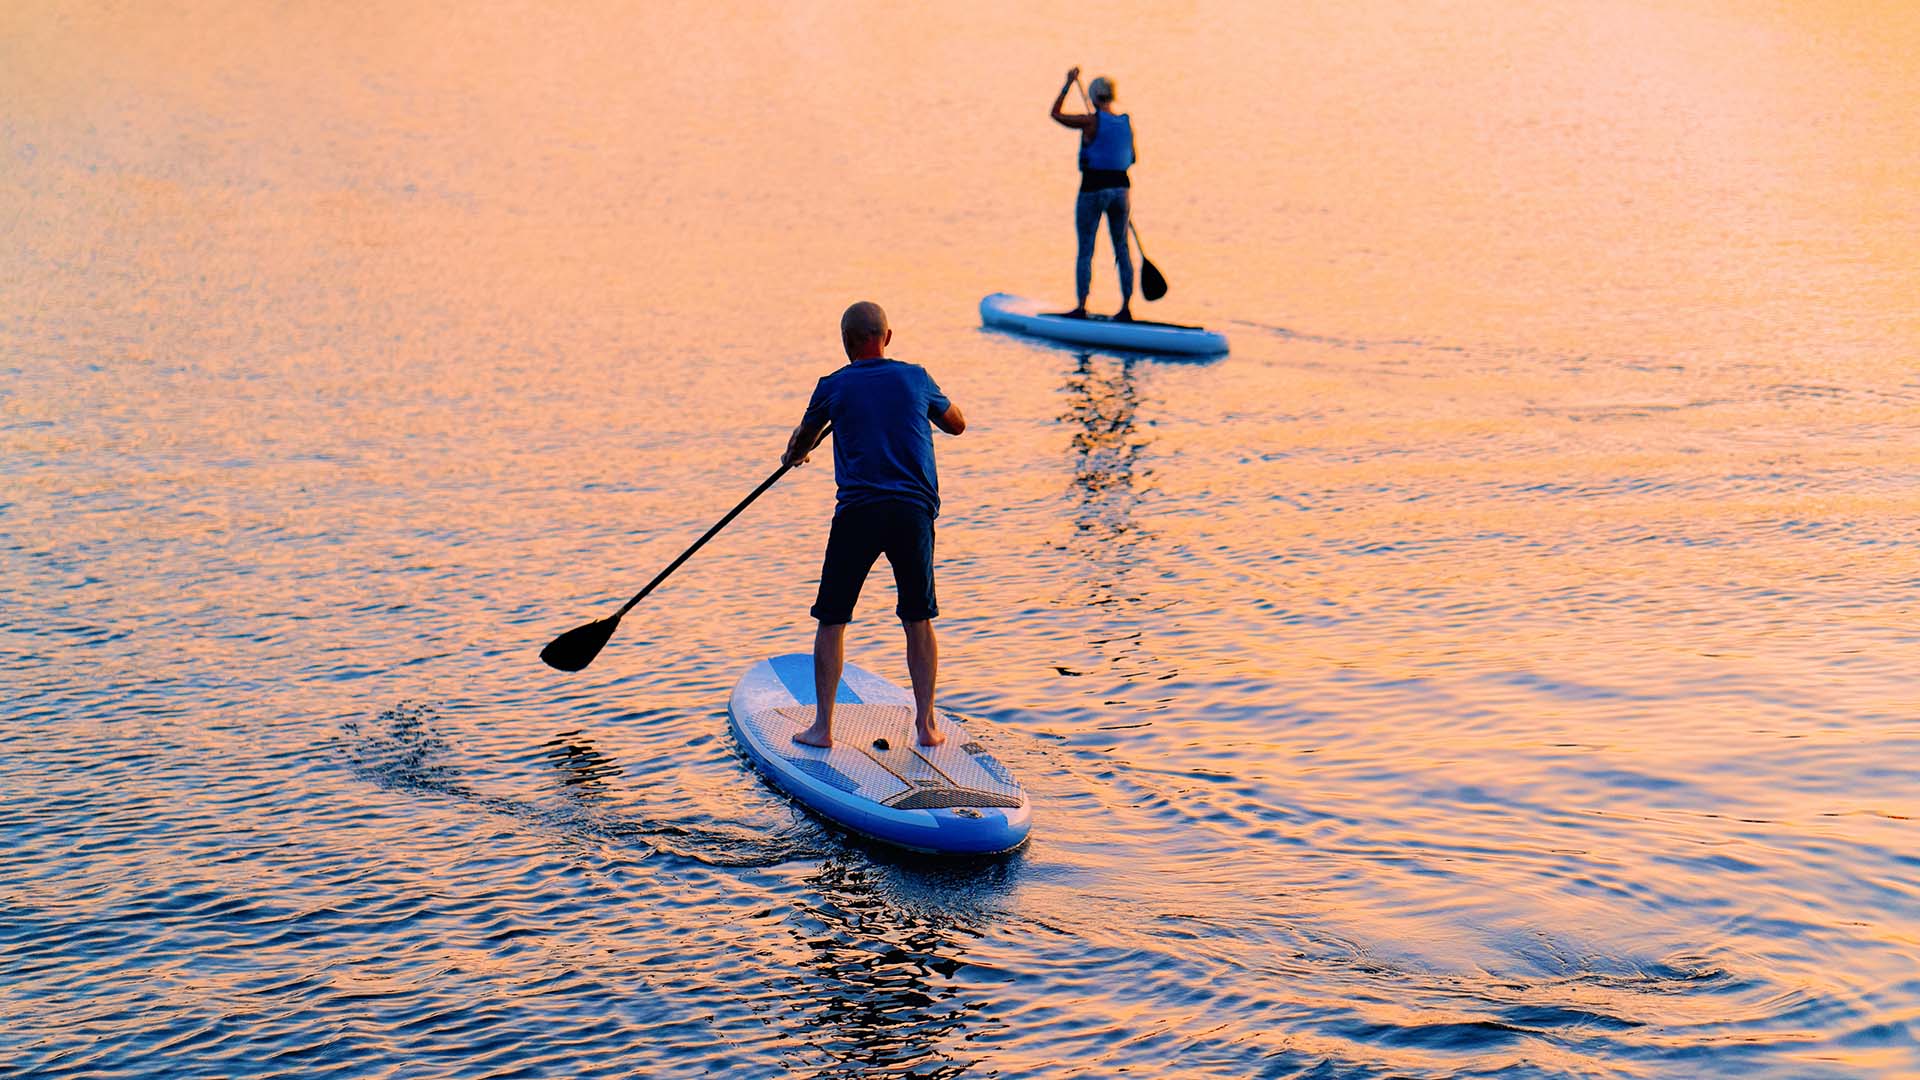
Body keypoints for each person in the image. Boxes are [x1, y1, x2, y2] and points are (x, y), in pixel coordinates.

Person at [782, 301, 966, 749]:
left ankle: (823, 728)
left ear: (846, 344)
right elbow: (957, 425)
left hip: (858, 514)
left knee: (831, 618)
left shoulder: (833, 386)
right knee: (918, 618)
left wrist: (797, 454)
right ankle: (925, 726)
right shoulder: (916, 378)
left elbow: (799, 444)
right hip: (911, 513)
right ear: (887, 336)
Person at [1050, 67, 1136, 321]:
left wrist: (1067, 84)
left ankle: (1081, 306)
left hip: (1093, 189)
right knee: (1122, 247)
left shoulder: (1090, 121)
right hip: (1121, 190)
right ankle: (1126, 308)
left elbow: (1055, 114)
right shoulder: (1125, 122)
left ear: (1094, 96)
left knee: (1086, 248)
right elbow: (1132, 158)